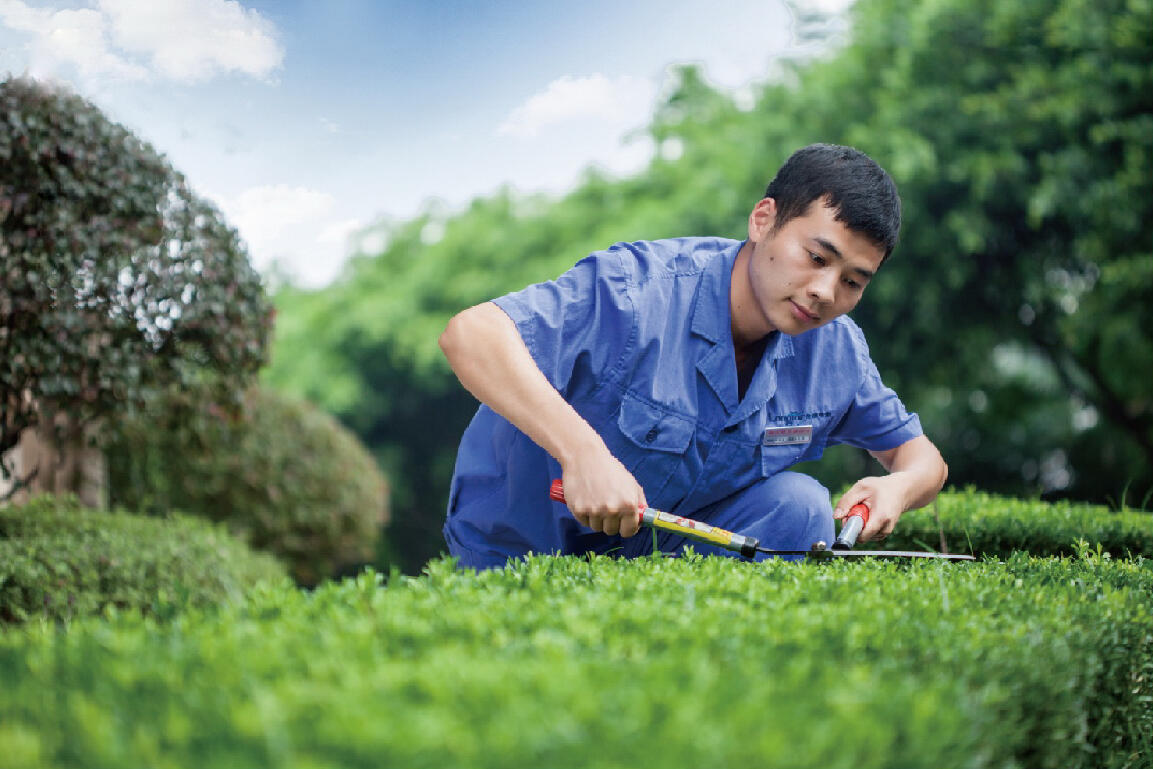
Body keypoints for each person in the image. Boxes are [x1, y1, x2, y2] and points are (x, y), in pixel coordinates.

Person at [438, 143, 947, 570]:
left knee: (801, 507)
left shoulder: (836, 351)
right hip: (517, 548)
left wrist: (898, 489)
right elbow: (472, 333)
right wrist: (584, 455)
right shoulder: (636, 289)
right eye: (817, 258)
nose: (825, 291)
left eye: (853, 281)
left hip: (658, 555)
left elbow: (923, 459)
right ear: (763, 219)